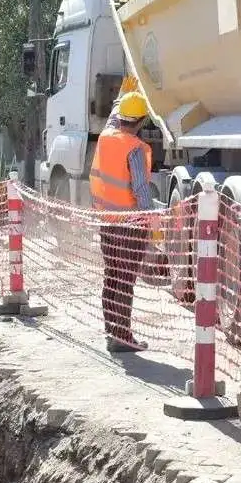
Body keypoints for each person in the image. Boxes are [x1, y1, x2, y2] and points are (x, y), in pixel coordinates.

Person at [90, 89, 157, 353]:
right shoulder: (135, 149)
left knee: (112, 276)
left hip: (107, 223)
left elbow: (112, 120)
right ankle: (122, 337)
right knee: (126, 280)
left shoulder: (106, 137)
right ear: (142, 121)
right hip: (130, 226)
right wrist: (152, 221)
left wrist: (121, 98)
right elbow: (141, 189)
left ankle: (112, 331)